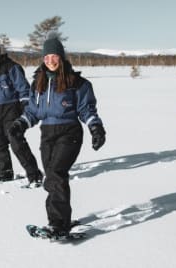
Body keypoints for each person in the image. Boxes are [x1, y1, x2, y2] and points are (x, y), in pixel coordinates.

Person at [9, 35, 106, 238]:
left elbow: (86, 110)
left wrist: (96, 128)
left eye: (53, 56)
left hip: (69, 132)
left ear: (61, 57)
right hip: (47, 134)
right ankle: (62, 218)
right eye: (46, 57)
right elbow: (33, 112)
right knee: (53, 178)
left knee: (55, 173)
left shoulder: (76, 83)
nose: (50, 61)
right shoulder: (38, 83)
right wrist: (20, 124)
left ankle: (58, 223)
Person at [0, 39, 43, 186]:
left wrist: (26, 107)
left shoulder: (12, 67)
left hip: (12, 108)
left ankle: (34, 174)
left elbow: (24, 89)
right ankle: (5, 172)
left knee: (16, 142)